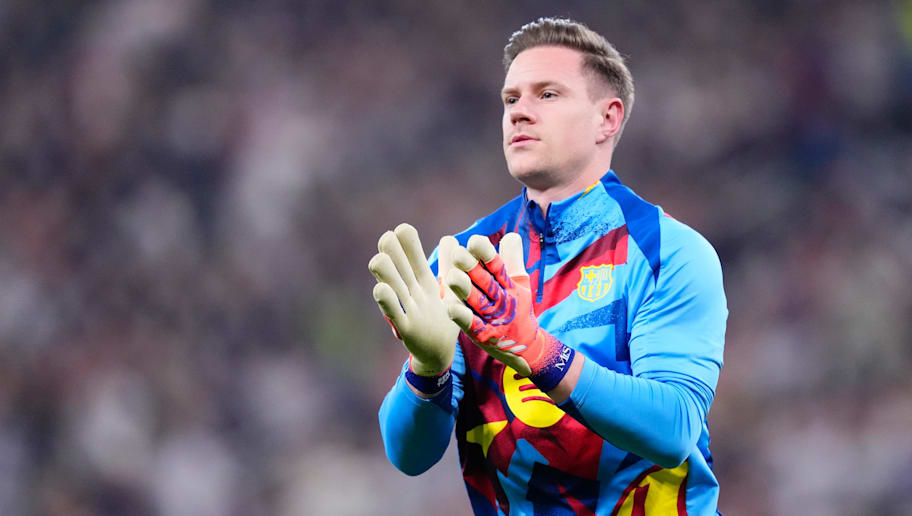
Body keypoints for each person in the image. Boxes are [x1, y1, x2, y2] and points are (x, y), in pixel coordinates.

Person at [369, 17, 727, 516]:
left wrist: (539, 353)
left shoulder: (669, 251)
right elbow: (408, 457)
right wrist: (427, 370)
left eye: (548, 94)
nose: (520, 112)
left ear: (607, 119)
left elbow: (673, 430)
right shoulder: (467, 258)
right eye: (511, 99)